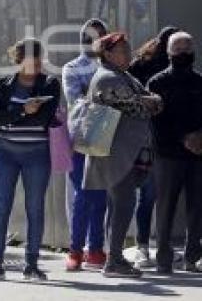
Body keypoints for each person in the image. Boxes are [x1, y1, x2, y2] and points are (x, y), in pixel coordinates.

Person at [84, 32, 162, 278]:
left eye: (129, 50)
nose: (129, 55)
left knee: (118, 205)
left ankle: (113, 258)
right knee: (123, 204)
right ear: (107, 54)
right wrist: (151, 101)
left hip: (125, 153)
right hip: (116, 154)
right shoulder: (107, 78)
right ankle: (114, 261)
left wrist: (152, 101)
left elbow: (151, 102)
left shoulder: (123, 75)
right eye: (124, 51)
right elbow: (140, 105)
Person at [0, 39, 59, 282]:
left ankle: (32, 264)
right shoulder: (4, 85)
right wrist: (22, 111)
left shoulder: (50, 84)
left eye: (38, 62)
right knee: (0, 207)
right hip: (6, 152)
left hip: (37, 153)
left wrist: (12, 118)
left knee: (35, 208)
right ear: (18, 61)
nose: (35, 68)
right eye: (29, 62)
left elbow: (43, 119)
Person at [146, 31, 202, 273]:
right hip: (167, 154)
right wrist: (183, 138)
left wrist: (199, 137)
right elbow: (155, 121)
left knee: (197, 208)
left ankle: (192, 258)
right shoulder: (157, 83)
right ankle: (163, 260)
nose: (183, 53)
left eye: (187, 48)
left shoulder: (200, 81)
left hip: (198, 155)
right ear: (168, 53)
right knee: (166, 208)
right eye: (178, 49)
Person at [127, 26, 178, 269]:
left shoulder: (140, 65)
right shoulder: (149, 69)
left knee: (149, 196)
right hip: (156, 138)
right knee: (155, 195)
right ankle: (148, 246)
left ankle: (145, 247)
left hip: (147, 137)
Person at [61, 18, 109, 271]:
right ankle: (75, 250)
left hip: (109, 136)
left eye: (102, 36)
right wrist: (106, 97)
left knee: (101, 196)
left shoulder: (114, 67)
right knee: (82, 194)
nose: (97, 41)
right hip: (81, 137)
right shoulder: (72, 67)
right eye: (92, 37)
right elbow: (75, 99)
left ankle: (97, 249)